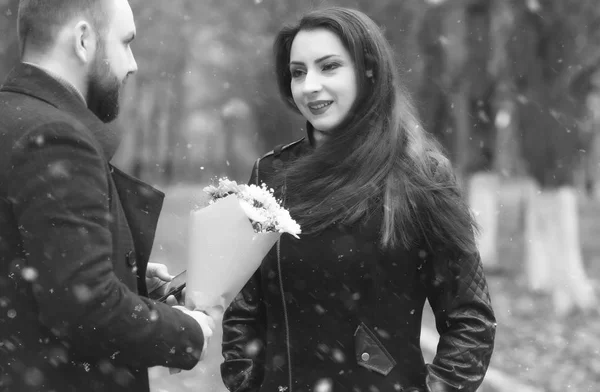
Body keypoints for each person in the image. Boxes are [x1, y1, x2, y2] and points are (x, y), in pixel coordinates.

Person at [221, 7, 496, 392]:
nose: (309, 86)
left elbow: (470, 318)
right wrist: (245, 381)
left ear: (369, 71)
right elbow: (245, 308)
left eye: (329, 67)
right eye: (298, 72)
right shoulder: (270, 175)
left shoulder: (419, 175)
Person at [0, 0, 214, 391]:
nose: (132, 64)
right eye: (125, 42)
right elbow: (84, 308)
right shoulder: (53, 137)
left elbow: (25, 265)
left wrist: (119, 271)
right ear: (83, 40)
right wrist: (186, 331)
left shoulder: (12, 118)